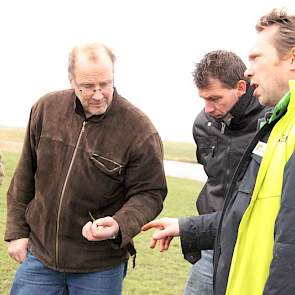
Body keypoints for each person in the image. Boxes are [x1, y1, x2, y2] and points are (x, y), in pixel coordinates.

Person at [143, 8, 295, 295]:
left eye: (256, 58)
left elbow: (288, 243)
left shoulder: (275, 125)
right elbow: (241, 208)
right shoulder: (210, 125)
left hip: (258, 260)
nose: (249, 71)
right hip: (218, 244)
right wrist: (188, 227)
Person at [5, 42, 167, 295]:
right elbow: (25, 174)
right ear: (71, 80)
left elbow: (151, 193)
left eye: (105, 84)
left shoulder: (139, 130)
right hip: (40, 257)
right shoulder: (46, 109)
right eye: (88, 86)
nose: (99, 94)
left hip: (99, 266)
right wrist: (17, 232)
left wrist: (118, 224)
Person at [183, 50, 270, 295]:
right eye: (204, 100)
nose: (208, 108)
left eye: (215, 98)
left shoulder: (271, 120)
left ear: (241, 87)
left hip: (253, 243)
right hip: (212, 244)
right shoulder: (203, 125)